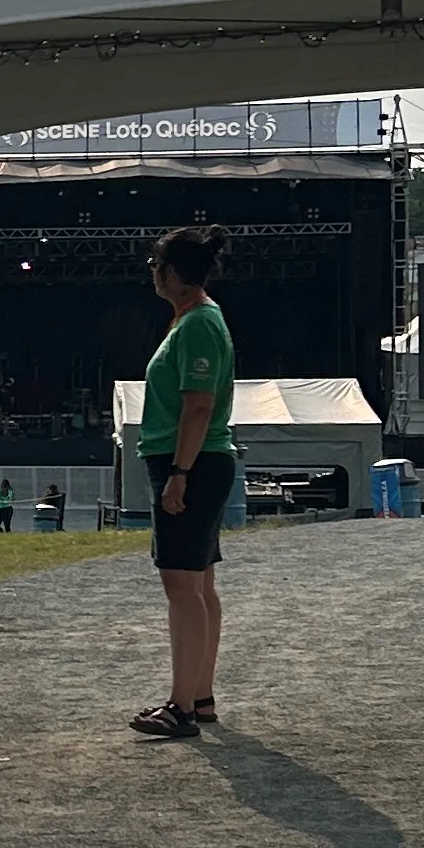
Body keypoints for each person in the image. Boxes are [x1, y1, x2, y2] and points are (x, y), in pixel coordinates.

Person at [132, 227, 236, 744]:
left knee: (181, 586)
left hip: (190, 462)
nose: (152, 272)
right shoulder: (197, 319)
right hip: (202, 462)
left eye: (155, 264)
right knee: (199, 585)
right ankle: (199, 695)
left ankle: (181, 706)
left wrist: (178, 473)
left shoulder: (196, 323)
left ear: (171, 273)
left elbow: (199, 405)